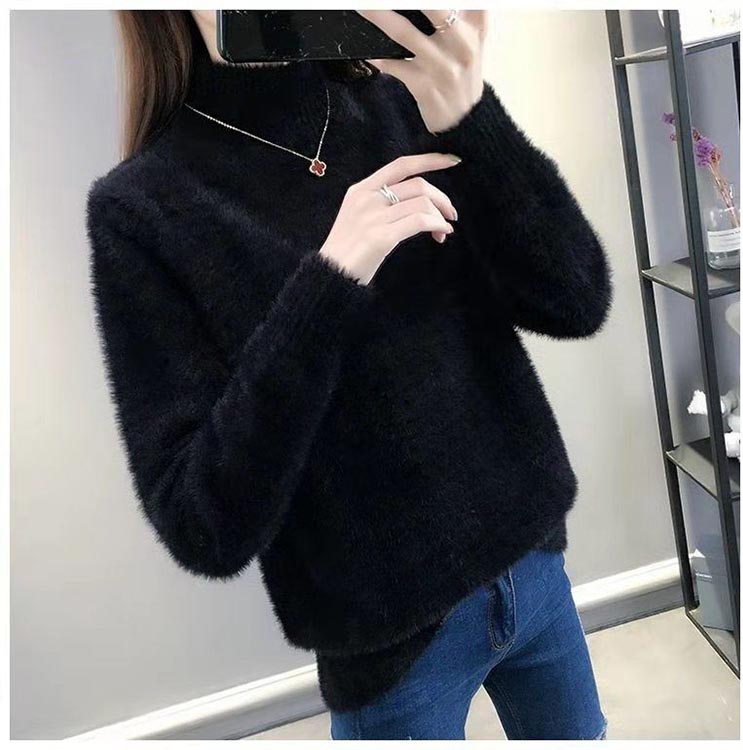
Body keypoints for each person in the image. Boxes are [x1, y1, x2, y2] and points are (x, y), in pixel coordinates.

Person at [86, 9, 612, 741]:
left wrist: (471, 117)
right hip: (390, 648)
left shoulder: (397, 98)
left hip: (534, 565)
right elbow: (203, 524)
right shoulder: (141, 210)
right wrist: (331, 278)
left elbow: (576, 299)